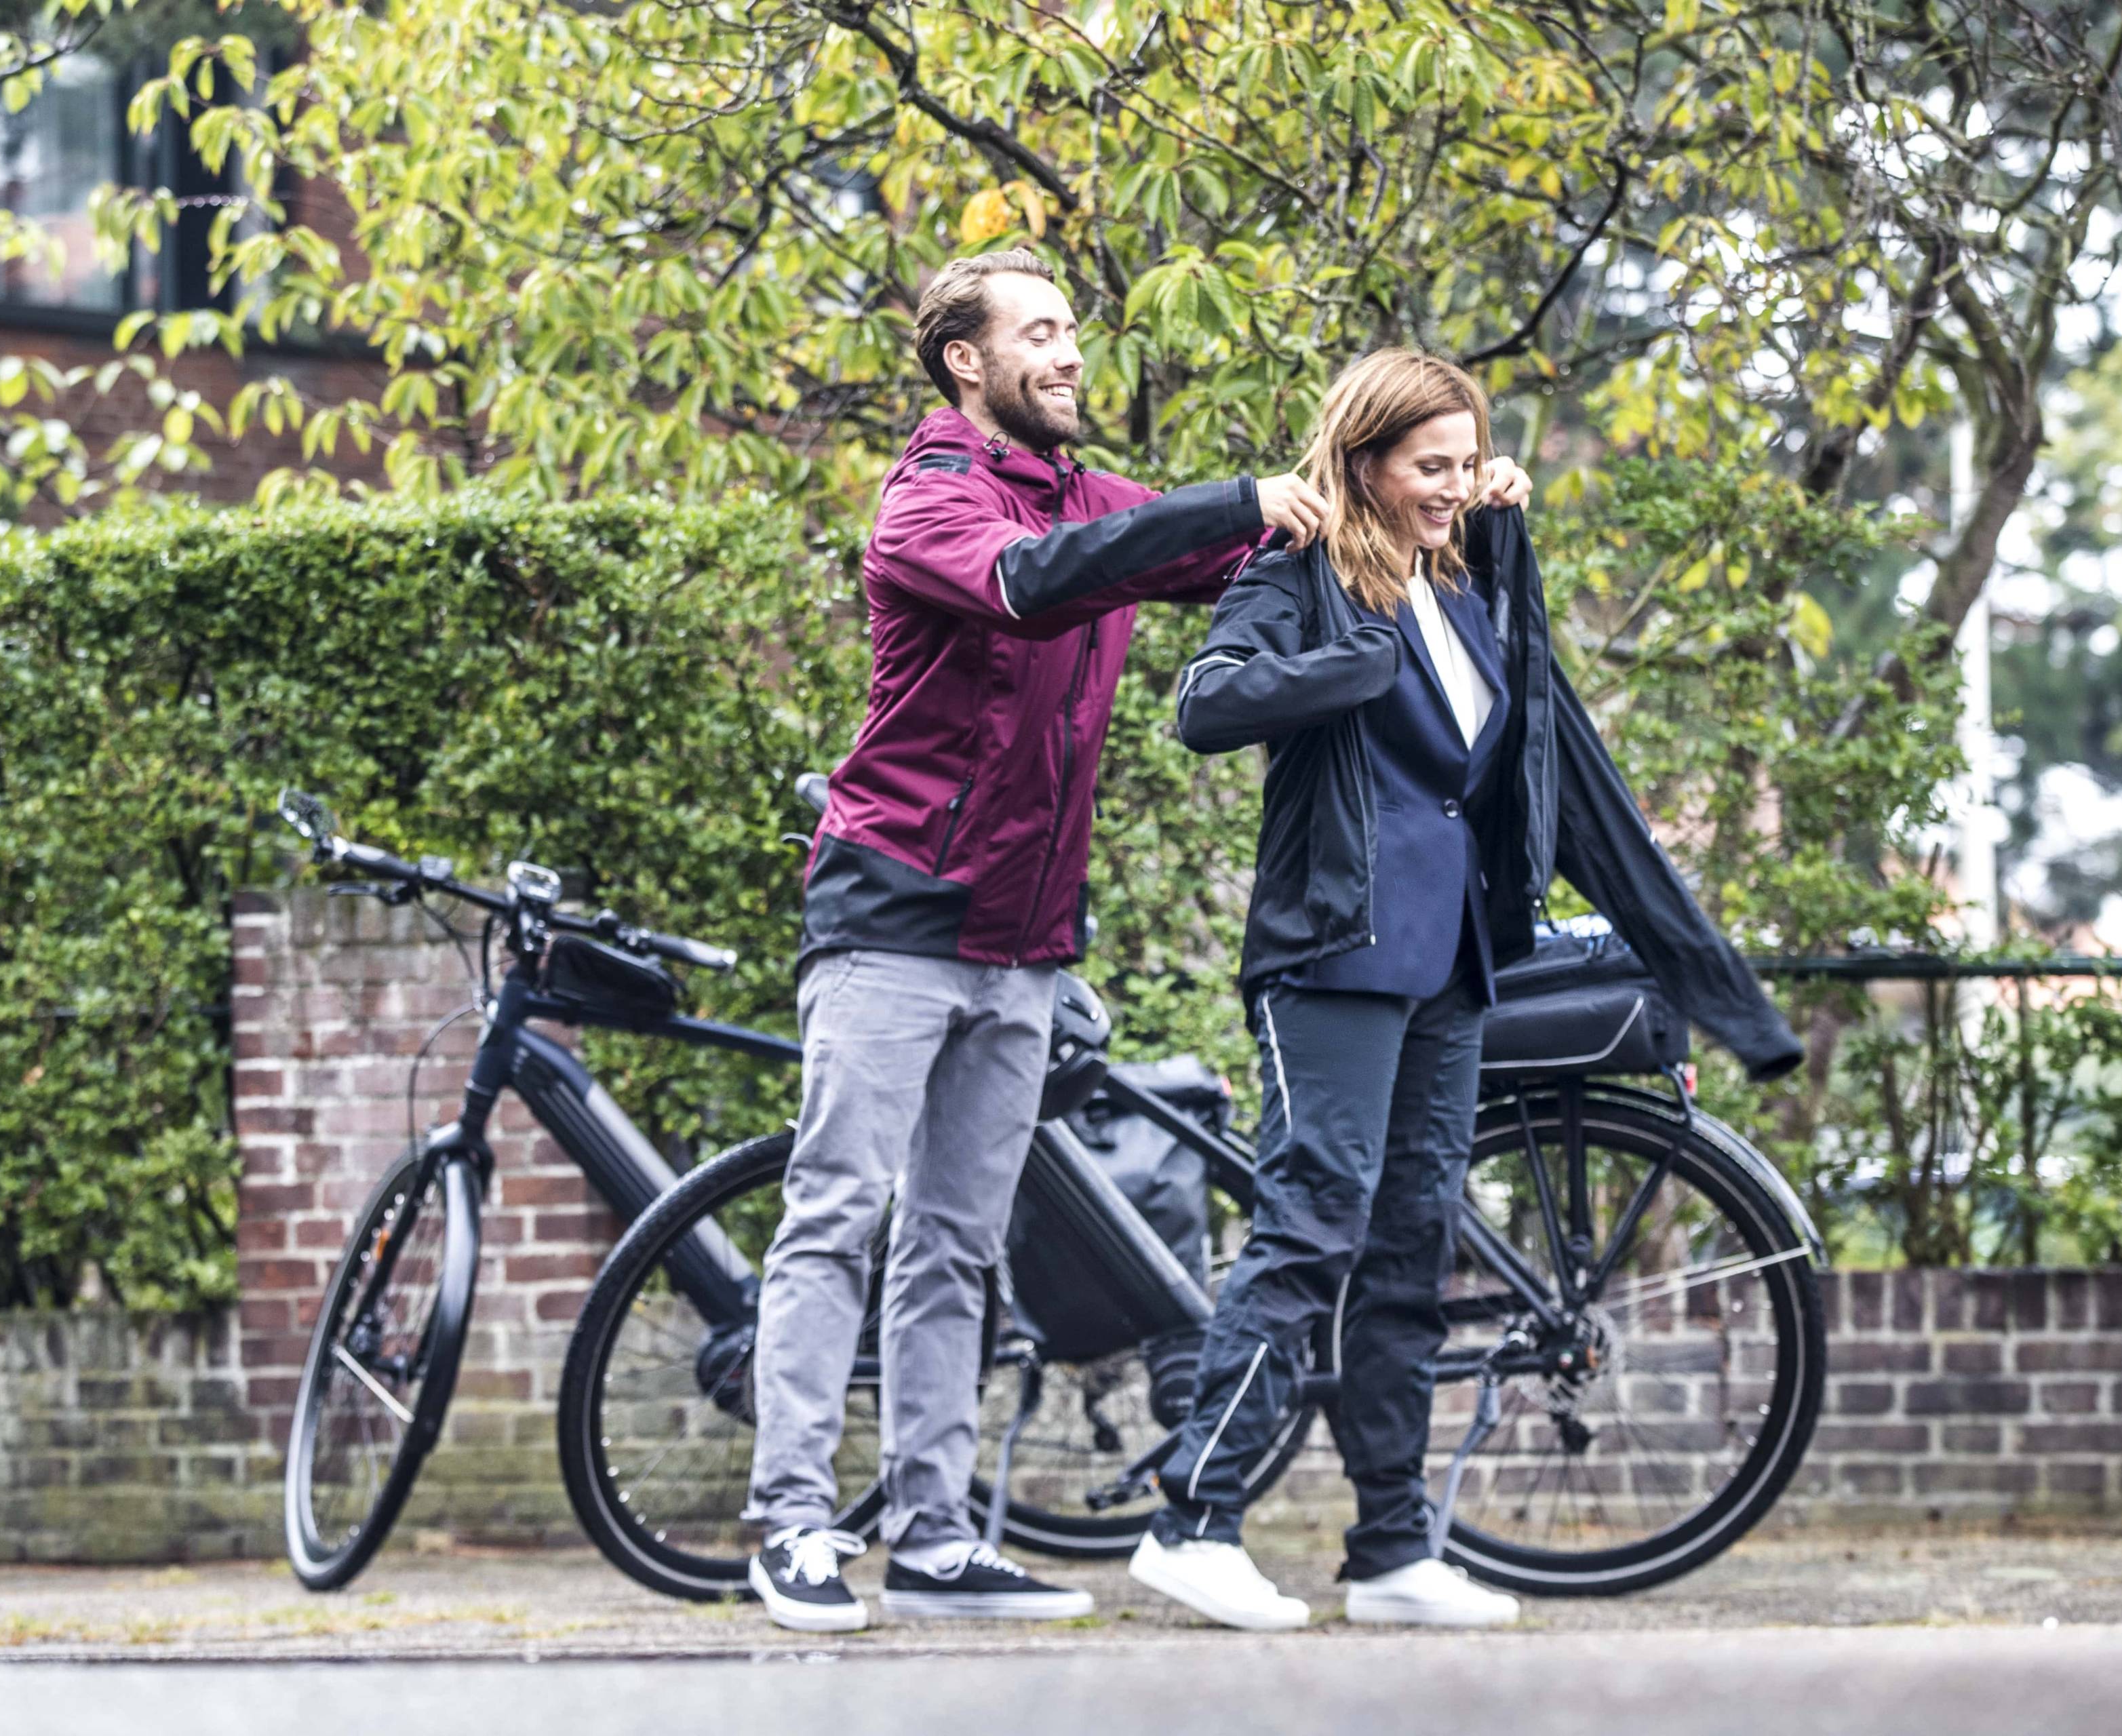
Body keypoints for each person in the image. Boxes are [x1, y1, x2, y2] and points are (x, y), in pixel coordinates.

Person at [746, 249, 1443, 1634]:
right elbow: (1036, 580)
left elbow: (1223, 546)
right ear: (969, 361)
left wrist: (1430, 488)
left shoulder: (1085, 495)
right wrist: (1233, 498)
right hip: (893, 913)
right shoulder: (930, 499)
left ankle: (937, 1539)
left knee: (954, 1243)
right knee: (835, 1217)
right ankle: (790, 1524)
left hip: (1025, 939)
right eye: (1042, 333)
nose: (1070, 354)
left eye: (1074, 331)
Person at [1127, 349, 1803, 1632]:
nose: (1453, 485)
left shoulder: (1462, 587)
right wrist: (1348, 667)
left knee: (1408, 1247)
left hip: (1449, 965)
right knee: (1314, 1222)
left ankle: (1390, 1549)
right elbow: (1206, 705)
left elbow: (1508, 757)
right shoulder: (1299, 578)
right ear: (1367, 463)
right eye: (1428, 467)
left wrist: (1487, 539)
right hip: (1332, 951)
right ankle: (1192, 1522)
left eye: (1464, 463)